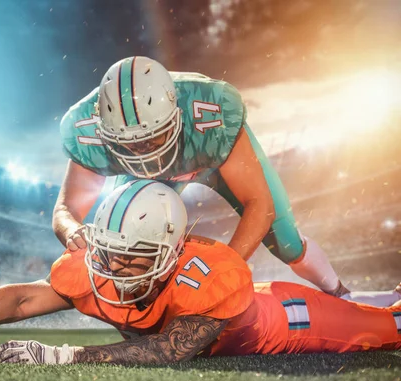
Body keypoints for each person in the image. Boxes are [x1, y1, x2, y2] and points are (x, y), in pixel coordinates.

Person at [0, 181, 401, 365]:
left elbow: (167, 350)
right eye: (106, 250)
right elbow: (25, 299)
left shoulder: (208, 274)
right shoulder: (99, 265)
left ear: (170, 251)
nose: (111, 267)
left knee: (387, 329)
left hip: (281, 322)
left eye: (129, 255)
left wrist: (65, 355)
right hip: (239, 308)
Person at [52, 56, 398, 307]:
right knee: (130, 240)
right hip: (154, 179)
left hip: (215, 160)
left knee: (287, 242)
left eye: (152, 139)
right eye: (130, 143)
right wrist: (72, 231)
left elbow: (258, 204)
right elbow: (67, 209)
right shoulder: (85, 130)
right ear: (103, 129)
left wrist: (221, 271)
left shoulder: (210, 113)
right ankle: (145, 308)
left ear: (177, 114)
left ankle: (340, 293)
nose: (142, 152)